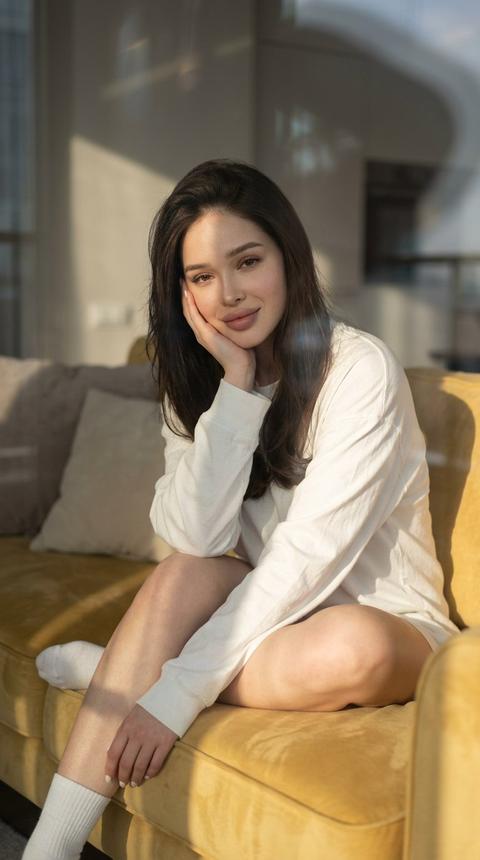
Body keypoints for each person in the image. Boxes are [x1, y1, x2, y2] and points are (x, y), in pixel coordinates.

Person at [24, 158, 460, 859]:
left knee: (356, 646)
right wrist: (239, 389)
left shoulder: (359, 370)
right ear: (181, 290)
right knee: (181, 575)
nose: (228, 294)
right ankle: (50, 847)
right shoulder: (196, 384)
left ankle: (125, 666)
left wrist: (170, 696)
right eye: (201, 276)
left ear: (287, 258)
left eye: (247, 261)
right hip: (261, 616)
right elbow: (194, 535)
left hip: (381, 622)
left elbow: (304, 560)